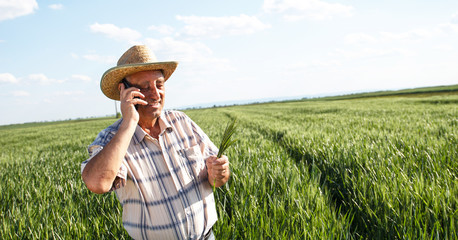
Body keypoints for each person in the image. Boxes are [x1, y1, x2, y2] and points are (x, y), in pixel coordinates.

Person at [81, 45, 230, 240]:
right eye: (144, 87)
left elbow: (217, 180)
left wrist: (220, 173)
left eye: (159, 85)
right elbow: (97, 183)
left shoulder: (182, 122)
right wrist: (129, 123)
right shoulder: (113, 139)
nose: (155, 93)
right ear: (123, 91)